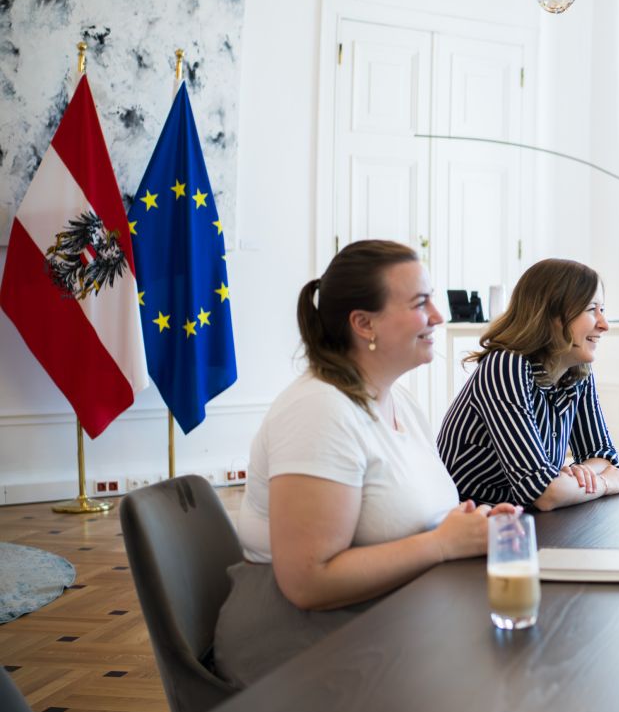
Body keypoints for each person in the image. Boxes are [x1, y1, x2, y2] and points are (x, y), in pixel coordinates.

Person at [213, 240, 517, 685]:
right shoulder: (319, 411)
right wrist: (443, 544)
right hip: (303, 642)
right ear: (363, 323)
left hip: (387, 616)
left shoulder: (398, 401)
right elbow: (308, 582)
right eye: (420, 303)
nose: (438, 316)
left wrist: (470, 526)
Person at [437, 258, 619, 510]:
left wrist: (577, 477)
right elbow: (543, 493)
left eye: (602, 309)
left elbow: (604, 456)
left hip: (522, 519)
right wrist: (606, 483)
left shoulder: (578, 369)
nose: (604, 324)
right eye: (591, 309)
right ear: (551, 315)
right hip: (469, 521)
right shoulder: (506, 366)